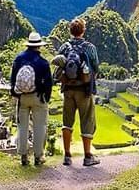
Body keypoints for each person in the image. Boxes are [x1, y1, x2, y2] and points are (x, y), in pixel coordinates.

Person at [53, 18, 100, 167]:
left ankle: (67, 155)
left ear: (70, 31)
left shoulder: (64, 47)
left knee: (67, 122)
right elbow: (96, 67)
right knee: (87, 120)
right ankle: (87, 157)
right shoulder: (89, 47)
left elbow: (59, 66)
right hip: (84, 91)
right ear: (83, 31)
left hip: (68, 91)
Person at [10, 31, 53, 166]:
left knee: (22, 126)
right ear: (39, 46)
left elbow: (13, 79)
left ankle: (23, 156)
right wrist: (46, 98)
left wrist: (16, 94)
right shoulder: (43, 63)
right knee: (39, 126)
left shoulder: (18, 59)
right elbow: (48, 84)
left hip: (22, 98)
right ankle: (38, 156)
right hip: (38, 97)